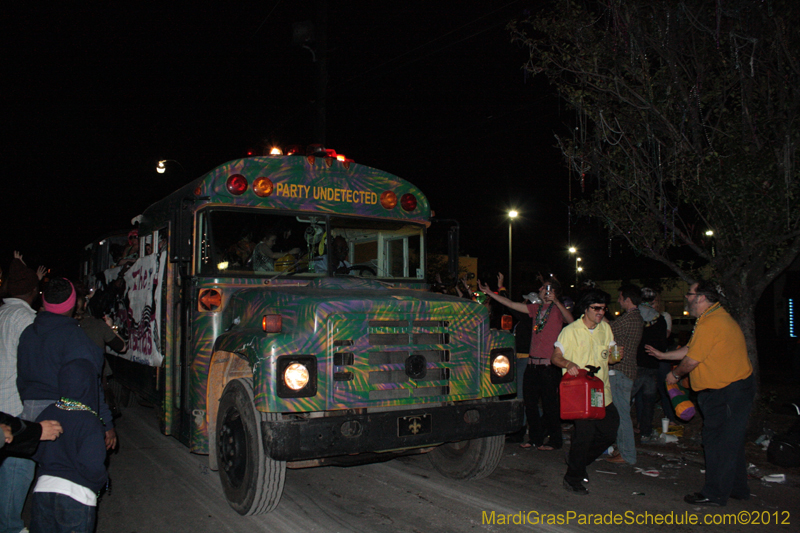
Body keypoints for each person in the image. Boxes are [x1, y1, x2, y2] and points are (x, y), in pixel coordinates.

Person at [646, 280, 754, 506]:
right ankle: (737, 488)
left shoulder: (712, 322)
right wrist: (664, 356)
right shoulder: (710, 318)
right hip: (730, 389)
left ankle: (714, 494)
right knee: (729, 441)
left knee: (717, 441)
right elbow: (691, 350)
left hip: (727, 391)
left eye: (690, 294)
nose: (687, 297)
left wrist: (674, 376)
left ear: (702, 297)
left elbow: (691, 360)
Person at [17, 277, 117, 451]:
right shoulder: (77, 340)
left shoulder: (28, 333)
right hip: (61, 416)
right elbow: (91, 386)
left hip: (29, 413)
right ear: (73, 305)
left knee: (22, 473)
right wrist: (107, 423)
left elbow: (21, 377)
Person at [481, 276, 573, 450]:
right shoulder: (536, 309)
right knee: (529, 403)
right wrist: (490, 293)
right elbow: (511, 304)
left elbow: (571, 321)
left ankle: (555, 441)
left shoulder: (557, 310)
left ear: (552, 292)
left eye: (544, 287)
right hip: (532, 364)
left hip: (548, 366)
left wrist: (557, 301)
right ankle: (535, 439)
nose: (540, 289)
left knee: (549, 405)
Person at [551, 289, 619, 495]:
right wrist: (568, 362)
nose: (600, 312)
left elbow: (611, 358)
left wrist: (616, 356)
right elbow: (555, 357)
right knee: (584, 436)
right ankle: (573, 478)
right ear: (586, 309)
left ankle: (577, 462)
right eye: (596, 308)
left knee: (609, 431)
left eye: (603, 308)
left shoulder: (605, 329)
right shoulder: (571, 331)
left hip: (601, 392)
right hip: (580, 395)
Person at [30, 359, 109, 533]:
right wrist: (101, 481)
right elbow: (92, 465)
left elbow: (34, 450)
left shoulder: (49, 411)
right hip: (76, 497)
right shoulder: (90, 421)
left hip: (43, 491)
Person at [0, 252, 44, 533]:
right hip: (14, 405)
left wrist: (26, 273)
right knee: (18, 469)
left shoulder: (3, 313)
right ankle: (11, 527)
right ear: (33, 292)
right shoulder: (27, 319)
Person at [605, 284, 643, 465]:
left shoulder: (630, 318)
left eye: (620, 298)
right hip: (623, 371)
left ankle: (627, 455)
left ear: (628, 300)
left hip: (621, 372)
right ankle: (622, 450)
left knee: (622, 415)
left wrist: (596, 313)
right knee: (620, 414)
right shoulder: (634, 317)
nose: (618, 301)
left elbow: (609, 327)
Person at [632, 287, 668, 442]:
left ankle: (619, 431)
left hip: (636, 364)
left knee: (625, 399)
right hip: (652, 364)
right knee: (649, 402)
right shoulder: (660, 319)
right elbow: (663, 344)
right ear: (654, 300)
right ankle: (646, 432)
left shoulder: (633, 317)